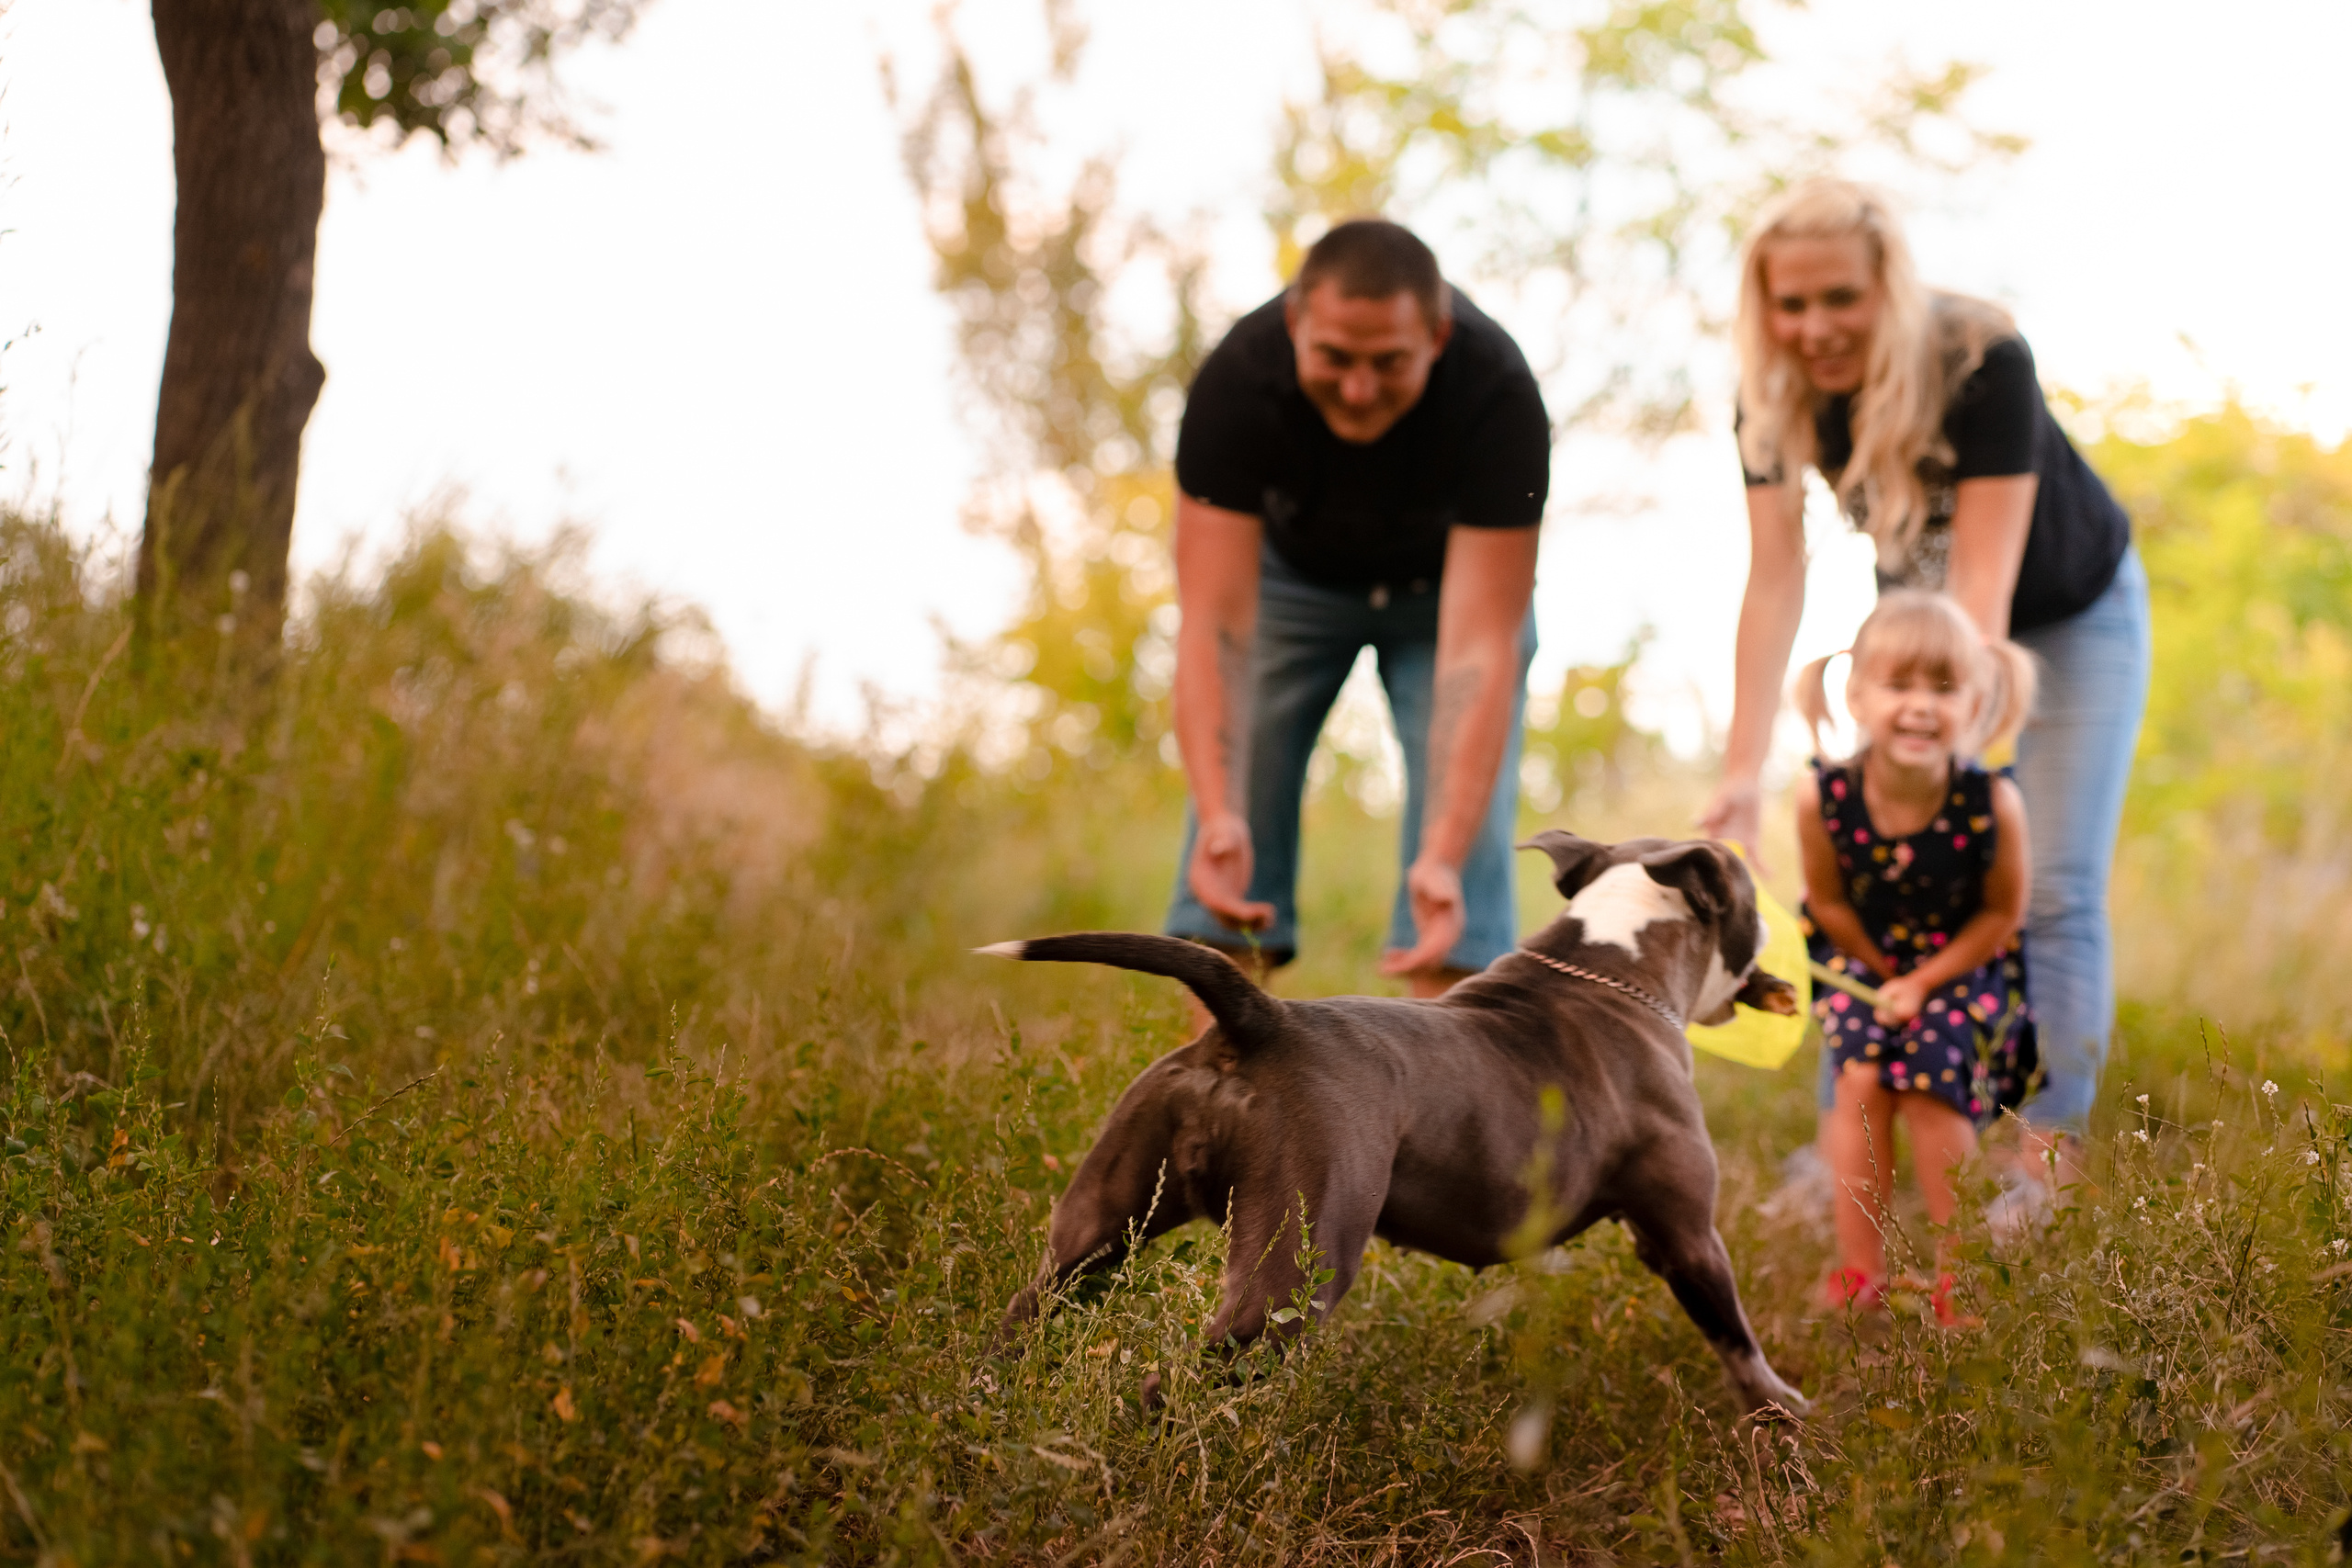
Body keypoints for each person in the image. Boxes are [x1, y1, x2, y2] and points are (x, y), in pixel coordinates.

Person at [1699, 179, 2150, 1219]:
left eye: (1840, 299)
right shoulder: (1770, 393)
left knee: (2047, 886)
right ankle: (1838, 1156)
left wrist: (1951, 779)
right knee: (1867, 879)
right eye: (1791, 303)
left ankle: (2046, 1147)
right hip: (1919, 619)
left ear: (1887, 288)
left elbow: (1981, 598)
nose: (1814, 328)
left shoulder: (1979, 359)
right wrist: (1737, 777)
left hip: (2064, 618)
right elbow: (1774, 582)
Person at [1164, 219, 1549, 995]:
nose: (1360, 388)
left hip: (1445, 596)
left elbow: (1479, 649)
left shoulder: (1499, 393)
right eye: (1335, 358)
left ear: (1437, 337)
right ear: (1295, 324)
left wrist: (1441, 854)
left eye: (1390, 362)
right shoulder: (1237, 380)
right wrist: (1219, 807)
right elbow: (1215, 627)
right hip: (1290, 585)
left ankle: (1446, 1093)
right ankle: (1222, 1095)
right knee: (1231, 822)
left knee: (1462, 850)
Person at [1792, 592, 2037, 1317]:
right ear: (1860, 696)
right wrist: (1886, 975)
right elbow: (1828, 903)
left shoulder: (1990, 801)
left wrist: (1925, 980)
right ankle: (1858, 1272)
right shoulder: (1823, 797)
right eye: (1900, 686)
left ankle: (1958, 1277)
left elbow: (2002, 912)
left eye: (1944, 688)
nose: (1920, 707)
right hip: (1863, 960)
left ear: (1977, 700)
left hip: (1962, 964)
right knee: (1860, 1079)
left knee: (1931, 1079)